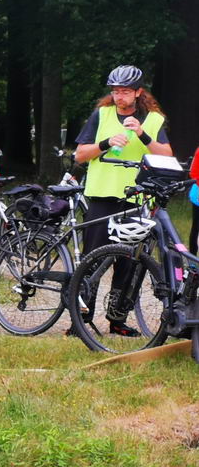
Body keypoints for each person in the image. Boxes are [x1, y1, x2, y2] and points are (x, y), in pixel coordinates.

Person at [73, 65, 171, 335]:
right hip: (102, 194)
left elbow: (166, 156)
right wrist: (105, 143)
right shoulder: (101, 114)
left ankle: (117, 320)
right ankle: (81, 319)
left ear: (138, 92)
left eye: (125, 91)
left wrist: (142, 134)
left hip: (136, 198)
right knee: (92, 259)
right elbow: (79, 155)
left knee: (129, 262)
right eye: (115, 91)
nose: (119, 96)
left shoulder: (153, 119)